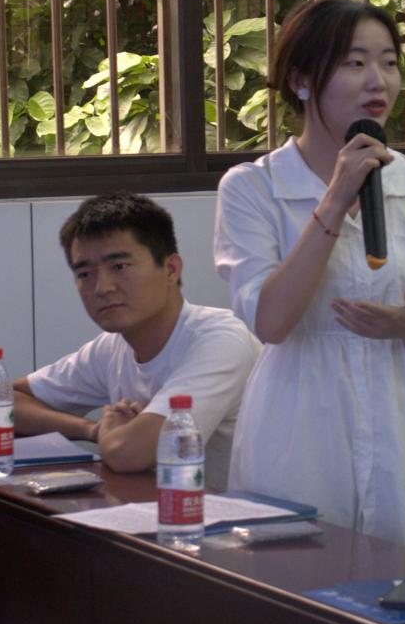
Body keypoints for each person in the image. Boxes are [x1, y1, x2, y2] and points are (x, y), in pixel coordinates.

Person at [213, 0, 405, 554]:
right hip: (299, 409)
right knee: (297, 570)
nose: (378, 81)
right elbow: (271, 321)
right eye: (355, 63)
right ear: (301, 80)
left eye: (389, 62)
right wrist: (336, 199)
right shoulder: (252, 187)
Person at [14, 192, 260, 486]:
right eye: (85, 274)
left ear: (171, 269)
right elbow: (7, 403)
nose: (102, 288)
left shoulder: (221, 340)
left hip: (235, 511)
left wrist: (116, 438)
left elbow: (129, 454)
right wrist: (93, 430)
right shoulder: (112, 347)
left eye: (120, 267)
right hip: (158, 506)